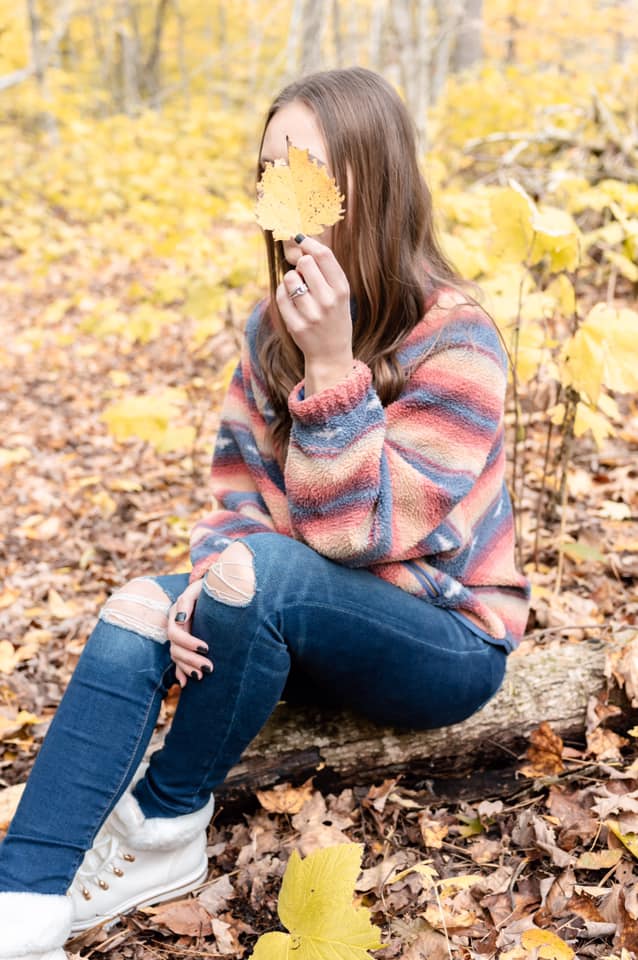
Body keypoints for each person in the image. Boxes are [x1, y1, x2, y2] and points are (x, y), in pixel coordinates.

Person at [0, 66, 530, 960]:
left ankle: (165, 817)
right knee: (137, 608)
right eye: (267, 167)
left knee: (269, 571)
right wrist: (206, 582)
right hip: (295, 612)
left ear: (374, 181)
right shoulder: (267, 330)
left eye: (309, 169)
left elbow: (360, 539)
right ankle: (22, 901)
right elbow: (239, 496)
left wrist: (331, 374)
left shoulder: (458, 339)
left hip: (445, 640)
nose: (282, 193)